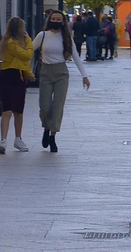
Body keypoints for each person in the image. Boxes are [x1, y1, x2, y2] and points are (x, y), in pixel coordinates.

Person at [33, 10, 89, 152]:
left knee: (58, 106)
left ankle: (52, 136)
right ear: (49, 20)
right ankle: (46, 127)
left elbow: (76, 57)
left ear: (63, 22)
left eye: (59, 19)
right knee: (45, 106)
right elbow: (29, 51)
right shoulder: (42, 35)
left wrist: (85, 75)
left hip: (61, 73)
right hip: (46, 72)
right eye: (53, 18)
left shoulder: (66, 38)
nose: (56, 21)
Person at [0, 17, 34, 155]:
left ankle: (17, 139)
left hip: (17, 76)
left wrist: (28, 73)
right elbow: (26, 56)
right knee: (7, 109)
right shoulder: (11, 43)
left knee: (18, 110)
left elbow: (21, 63)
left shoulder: (17, 42)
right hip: (10, 76)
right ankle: (4, 140)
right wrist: (29, 40)